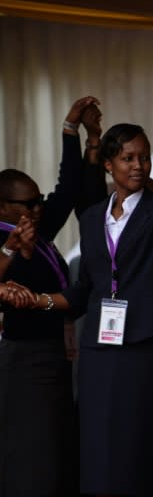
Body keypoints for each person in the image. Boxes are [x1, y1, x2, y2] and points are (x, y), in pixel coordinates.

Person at [11, 122, 153, 496]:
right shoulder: (92, 216)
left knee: (140, 446)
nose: (139, 165)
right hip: (99, 349)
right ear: (109, 166)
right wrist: (40, 301)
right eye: (127, 158)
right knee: (98, 446)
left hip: (146, 345)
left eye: (144, 157)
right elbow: (85, 289)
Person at [0, 96, 103, 497]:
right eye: (27, 203)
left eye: (38, 200)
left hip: (55, 353)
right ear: (3, 204)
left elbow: (69, 188)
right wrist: (11, 251)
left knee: (55, 451)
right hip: (23, 359)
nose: (37, 208)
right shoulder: (7, 237)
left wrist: (71, 132)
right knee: (28, 454)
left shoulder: (37, 230)